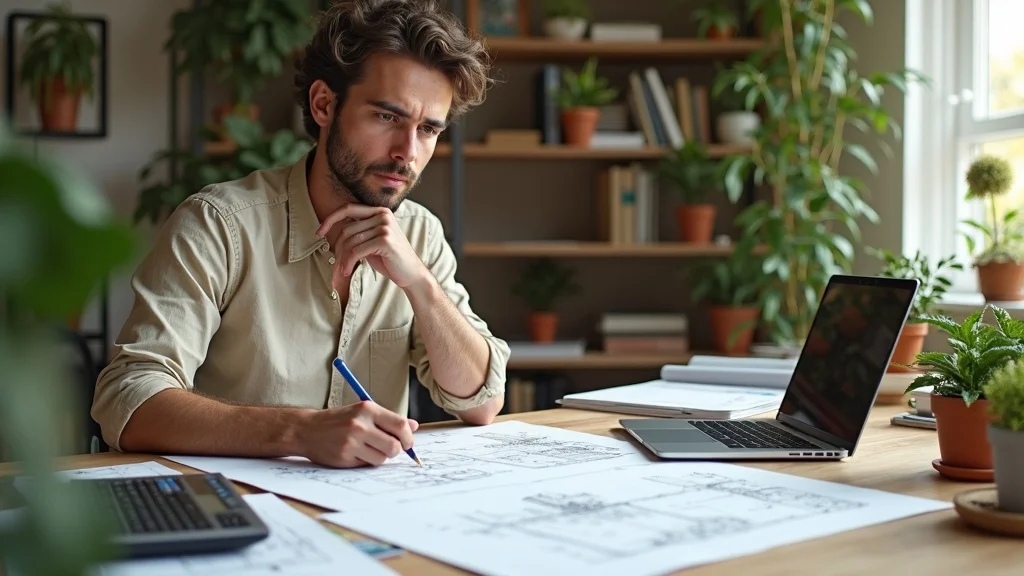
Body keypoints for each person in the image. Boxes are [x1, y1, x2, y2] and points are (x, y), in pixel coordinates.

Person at [91, 0, 508, 469]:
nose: (407, 153)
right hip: (236, 509)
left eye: (428, 129)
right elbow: (128, 400)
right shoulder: (219, 224)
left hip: (374, 517)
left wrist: (421, 285)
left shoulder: (420, 234)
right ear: (324, 104)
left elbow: (480, 401)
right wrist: (301, 431)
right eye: (387, 117)